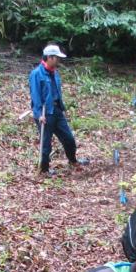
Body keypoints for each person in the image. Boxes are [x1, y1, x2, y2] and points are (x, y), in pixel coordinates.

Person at [29, 43, 86, 176]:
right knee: (46, 143)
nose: (59, 60)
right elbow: (35, 95)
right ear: (50, 57)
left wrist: (62, 107)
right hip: (45, 113)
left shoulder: (54, 73)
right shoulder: (37, 74)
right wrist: (38, 114)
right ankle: (44, 169)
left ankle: (73, 160)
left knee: (69, 139)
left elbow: (56, 92)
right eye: (57, 58)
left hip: (56, 110)